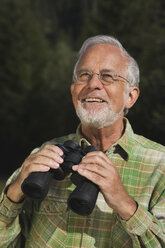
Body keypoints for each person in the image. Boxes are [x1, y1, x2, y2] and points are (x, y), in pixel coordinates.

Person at [0, 35, 165, 248]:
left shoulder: (160, 165)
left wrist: (124, 203)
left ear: (130, 96)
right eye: (84, 75)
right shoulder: (44, 155)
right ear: (73, 92)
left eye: (107, 76)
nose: (93, 84)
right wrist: (14, 193)